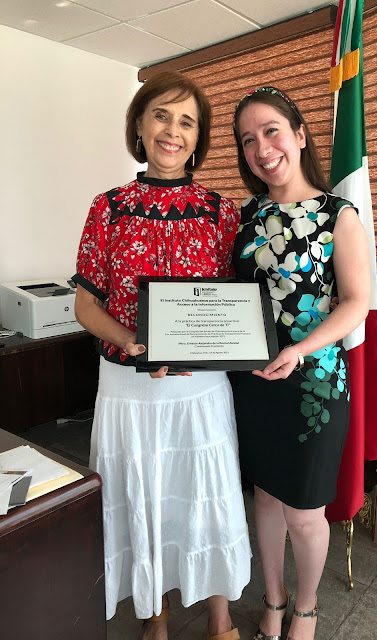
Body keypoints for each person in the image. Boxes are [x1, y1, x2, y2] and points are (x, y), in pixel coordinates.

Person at [73, 71, 250, 640]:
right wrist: (131, 341)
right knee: (142, 497)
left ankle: (220, 618)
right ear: (140, 126)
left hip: (199, 389)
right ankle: (157, 612)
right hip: (129, 387)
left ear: (198, 140)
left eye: (187, 122)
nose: (173, 131)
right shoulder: (107, 208)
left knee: (206, 496)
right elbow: (86, 305)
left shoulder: (223, 212)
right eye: (161, 116)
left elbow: (238, 307)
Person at [230, 87, 370, 640]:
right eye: (248, 140)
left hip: (315, 385)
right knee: (265, 496)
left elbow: (356, 302)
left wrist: (299, 349)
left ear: (300, 135)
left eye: (271, 131)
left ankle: (306, 608)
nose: (262, 149)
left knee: (305, 512)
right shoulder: (245, 215)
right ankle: (274, 596)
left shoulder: (339, 215)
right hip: (253, 381)